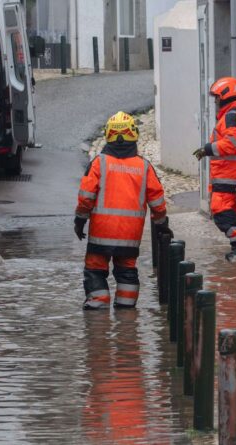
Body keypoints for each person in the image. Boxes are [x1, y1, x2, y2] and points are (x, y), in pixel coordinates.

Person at [75, 112, 173, 310]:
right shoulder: (144, 167)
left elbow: (86, 198)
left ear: (108, 135)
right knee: (127, 271)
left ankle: (97, 308)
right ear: (134, 134)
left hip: (101, 234)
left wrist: (80, 220)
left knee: (95, 269)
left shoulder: (98, 163)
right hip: (130, 236)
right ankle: (127, 316)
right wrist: (162, 224)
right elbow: (158, 202)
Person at [193, 77, 236, 262]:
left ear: (225, 96)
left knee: (220, 214)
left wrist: (207, 149)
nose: (216, 101)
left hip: (228, 176)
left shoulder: (232, 116)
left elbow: (231, 144)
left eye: (217, 97)